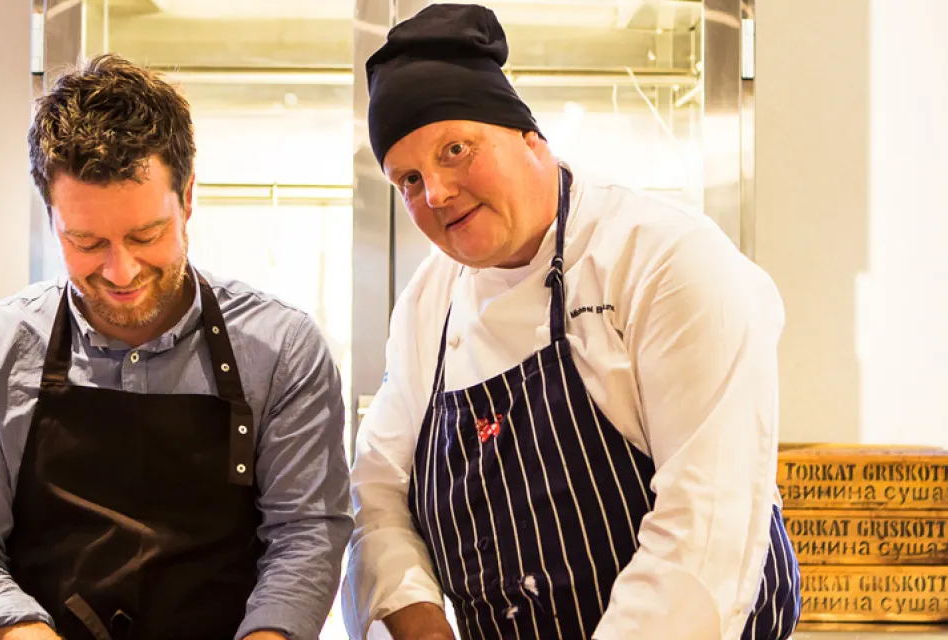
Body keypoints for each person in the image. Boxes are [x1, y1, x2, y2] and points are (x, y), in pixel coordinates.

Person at [341, 4, 800, 640]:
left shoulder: (666, 261)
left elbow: (706, 532)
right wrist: (418, 624)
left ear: (530, 138)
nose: (437, 194)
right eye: (409, 179)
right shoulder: (429, 303)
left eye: (455, 150)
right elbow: (378, 493)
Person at [0, 54, 352, 640]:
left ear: (188, 197)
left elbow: (306, 536)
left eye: (146, 236)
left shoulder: (281, 349)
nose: (120, 272)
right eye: (86, 242)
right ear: (50, 217)